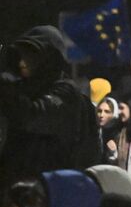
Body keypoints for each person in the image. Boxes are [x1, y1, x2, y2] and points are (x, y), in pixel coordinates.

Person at [0, 25, 100, 184]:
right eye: (21, 55)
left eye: (30, 55)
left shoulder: (66, 92)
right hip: (18, 186)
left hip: (50, 189)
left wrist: (6, 90)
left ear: (48, 57)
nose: (22, 62)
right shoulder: (26, 89)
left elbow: (31, 116)